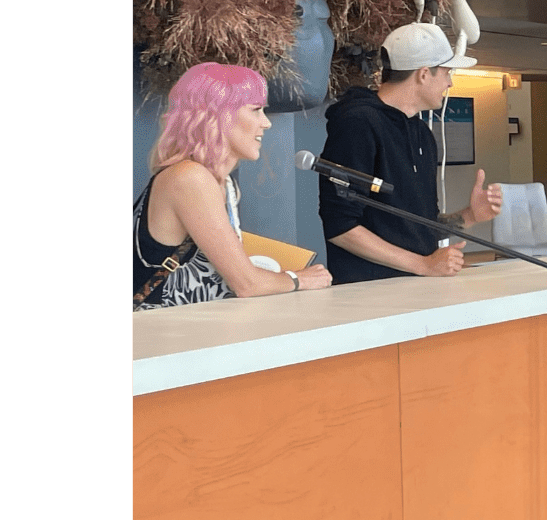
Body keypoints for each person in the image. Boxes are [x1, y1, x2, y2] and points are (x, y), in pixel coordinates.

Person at [133, 62, 332, 309]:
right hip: (159, 330)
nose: (266, 123)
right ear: (218, 115)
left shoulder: (223, 183)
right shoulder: (190, 177)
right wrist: (297, 279)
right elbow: (247, 284)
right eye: (256, 110)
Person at [318, 22, 503, 283]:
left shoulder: (422, 134)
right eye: (447, 72)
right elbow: (341, 227)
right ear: (424, 74)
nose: (450, 83)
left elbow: (419, 227)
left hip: (418, 289)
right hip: (369, 295)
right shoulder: (357, 124)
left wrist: (470, 216)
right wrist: (423, 265)